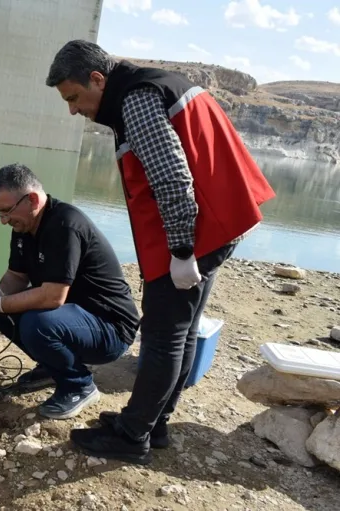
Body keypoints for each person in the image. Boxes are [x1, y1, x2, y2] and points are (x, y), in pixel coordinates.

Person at [45, 40, 276, 463]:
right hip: (217, 223)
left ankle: (134, 437)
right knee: (183, 331)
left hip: (197, 233)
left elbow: (172, 179)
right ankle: (156, 421)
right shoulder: (153, 86)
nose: (73, 110)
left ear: (98, 79)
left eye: (74, 98)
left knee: (163, 335)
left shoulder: (136, 100)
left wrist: (182, 251)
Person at [0, 163, 140, 420]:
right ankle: (52, 366)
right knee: (2, 309)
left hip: (110, 327)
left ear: (31, 199)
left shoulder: (65, 225)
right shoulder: (23, 227)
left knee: (37, 321)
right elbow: (16, 277)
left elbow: (53, 297)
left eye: (7, 211)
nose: (3, 221)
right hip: (75, 318)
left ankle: (79, 385)